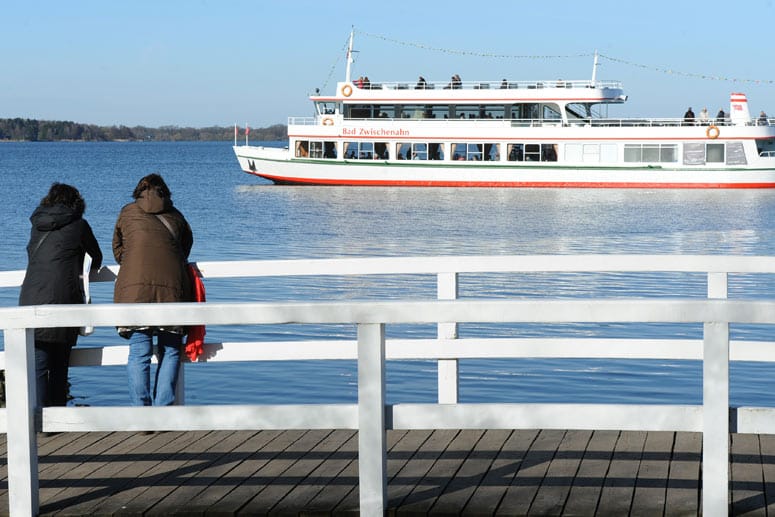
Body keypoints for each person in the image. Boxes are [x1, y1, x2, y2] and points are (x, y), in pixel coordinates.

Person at [19, 183, 103, 408]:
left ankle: (36, 418)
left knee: (38, 362)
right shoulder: (79, 225)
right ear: (76, 202)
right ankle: (55, 417)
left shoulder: (37, 225)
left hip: (31, 298)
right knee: (59, 364)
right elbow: (96, 258)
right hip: (64, 299)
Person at [113, 173, 193, 406]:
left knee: (139, 351)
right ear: (165, 193)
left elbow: (118, 249)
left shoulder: (127, 213)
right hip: (172, 292)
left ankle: (142, 413)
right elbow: (185, 248)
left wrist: (132, 265)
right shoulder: (176, 216)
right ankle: (163, 410)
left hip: (134, 294)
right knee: (171, 350)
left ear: (138, 191)